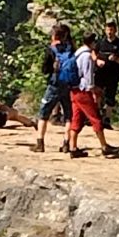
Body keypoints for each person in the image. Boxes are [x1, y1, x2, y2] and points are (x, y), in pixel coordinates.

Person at [67, 32, 119, 159]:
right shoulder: (86, 56)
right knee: (95, 118)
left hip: (74, 91)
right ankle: (104, 146)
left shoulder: (78, 53)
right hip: (83, 91)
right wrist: (94, 90)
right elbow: (88, 76)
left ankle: (73, 147)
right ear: (92, 42)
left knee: (77, 119)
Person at [33, 24, 74, 153]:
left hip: (54, 85)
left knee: (43, 113)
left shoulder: (52, 49)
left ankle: (40, 143)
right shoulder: (71, 48)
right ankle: (66, 143)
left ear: (55, 36)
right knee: (69, 116)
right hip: (68, 85)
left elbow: (44, 69)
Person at [94, 19, 119, 128]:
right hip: (100, 73)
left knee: (110, 96)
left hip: (113, 74)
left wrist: (116, 59)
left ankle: (107, 119)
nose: (109, 32)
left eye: (112, 30)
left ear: (115, 30)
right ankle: (97, 116)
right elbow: (93, 53)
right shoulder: (100, 42)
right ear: (105, 30)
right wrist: (97, 61)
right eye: (108, 29)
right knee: (97, 93)